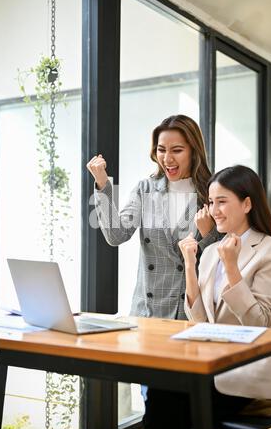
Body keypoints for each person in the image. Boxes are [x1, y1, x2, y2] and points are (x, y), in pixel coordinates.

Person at [143, 164, 271, 429]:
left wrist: (232, 267)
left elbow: (259, 323)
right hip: (210, 366)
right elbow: (198, 321)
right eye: (211, 202)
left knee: (165, 403)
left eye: (222, 202)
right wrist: (190, 264)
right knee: (160, 389)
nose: (214, 210)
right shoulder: (211, 251)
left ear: (247, 203)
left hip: (249, 374)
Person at [86, 114, 220, 320]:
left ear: (194, 151)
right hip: (146, 313)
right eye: (161, 149)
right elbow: (116, 235)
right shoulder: (145, 189)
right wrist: (103, 184)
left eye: (177, 150)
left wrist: (209, 233)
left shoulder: (211, 192)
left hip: (190, 314)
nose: (167, 158)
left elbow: (221, 257)